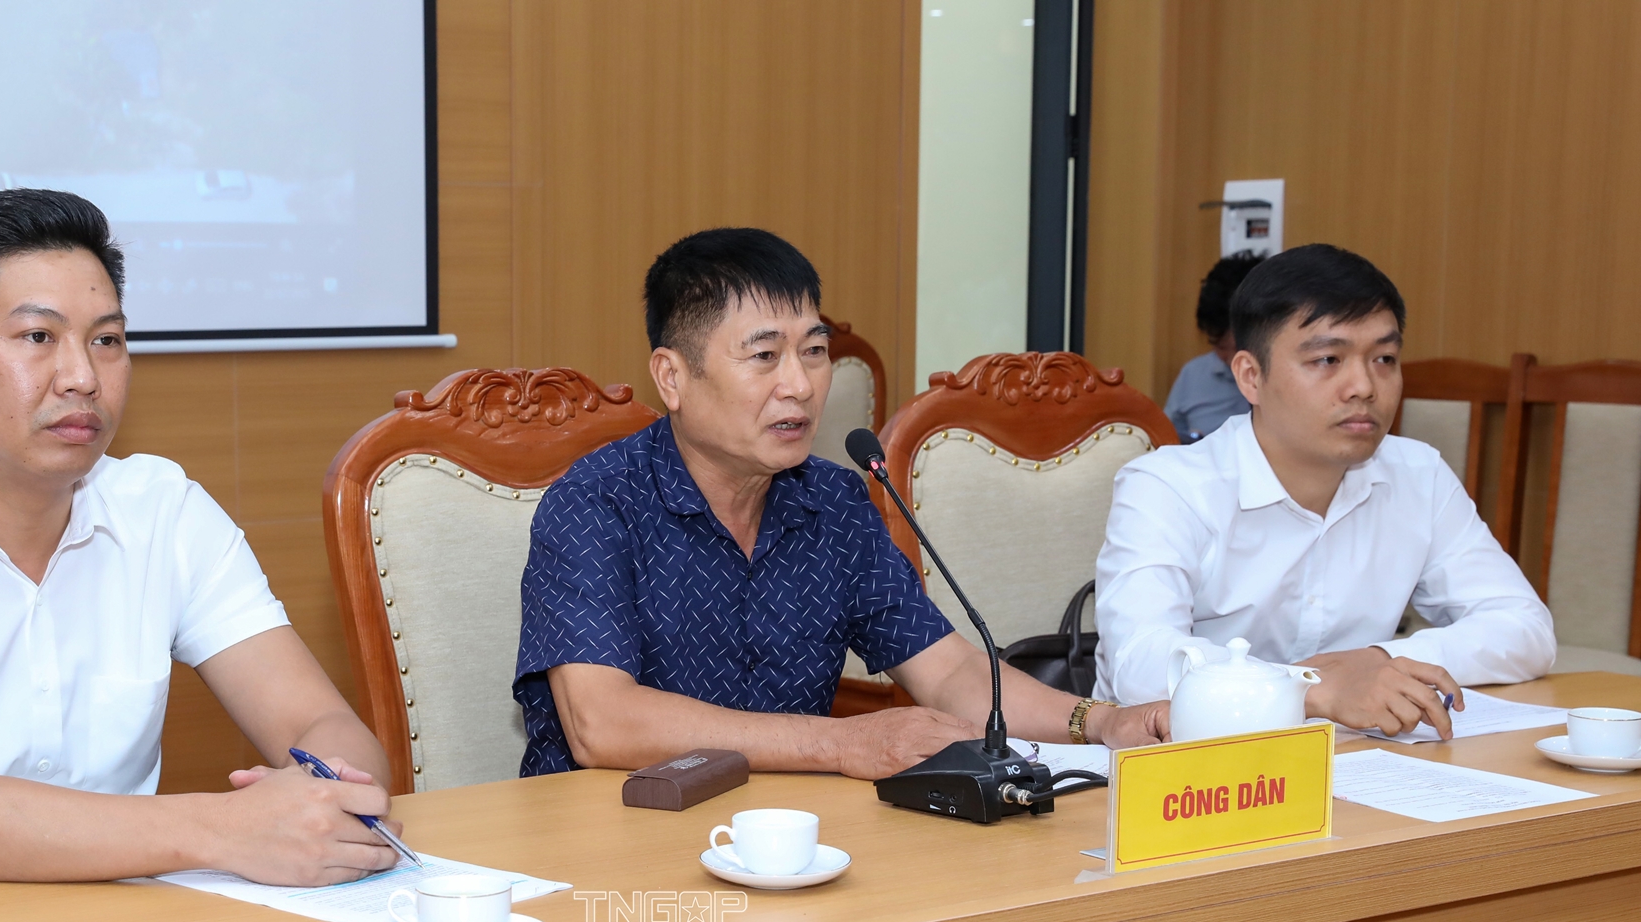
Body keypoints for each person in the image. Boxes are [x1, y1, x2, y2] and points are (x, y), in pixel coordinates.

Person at [0, 190, 401, 896]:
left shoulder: (165, 512)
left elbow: (317, 719)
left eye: (107, 340)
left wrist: (332, 794)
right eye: (38, 337)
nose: (83, 377)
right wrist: (225, 829)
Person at [514, 228, 1170, 779]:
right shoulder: (596, 504)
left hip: (790, 840)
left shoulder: (832, 502)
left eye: (815, 352)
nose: (799, 385)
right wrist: (841, 743)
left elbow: (951, 673)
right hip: (611, 838)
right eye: (764, 356)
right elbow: (603, 723)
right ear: (672, 377)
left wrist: (1101, 721)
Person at [1094, 244, 1555, 739]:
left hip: (1362, 758)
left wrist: (1379, 660)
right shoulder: (1168, 486)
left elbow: (1525, 628)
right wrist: (1312, 688)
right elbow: (1140, 662)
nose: (1364, 386)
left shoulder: (1419, 474)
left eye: (1385, 358)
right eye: (1328, 359)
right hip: (1192, 760)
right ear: (1251, 377)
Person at [1162, 250, 1264, 441]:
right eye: (1220, 348)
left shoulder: (1294, 378)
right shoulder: (1193, 375)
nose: (1232, 361)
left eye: (1238, 348)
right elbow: (1166, 442)